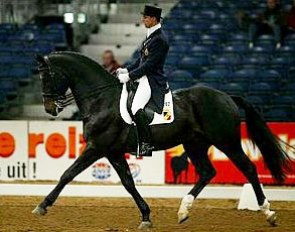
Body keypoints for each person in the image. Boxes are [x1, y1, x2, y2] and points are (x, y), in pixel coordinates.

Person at [116, 5, 169, 156]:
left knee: (135, 107)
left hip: (151, 79)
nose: (143, 19)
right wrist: (127, 69)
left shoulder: (160, 39)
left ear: (153, 19)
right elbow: (141, 60)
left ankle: (146, 144)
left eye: (145, 17)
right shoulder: (151, 36)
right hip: (144, 76)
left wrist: (130, 76)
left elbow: (150, 65)